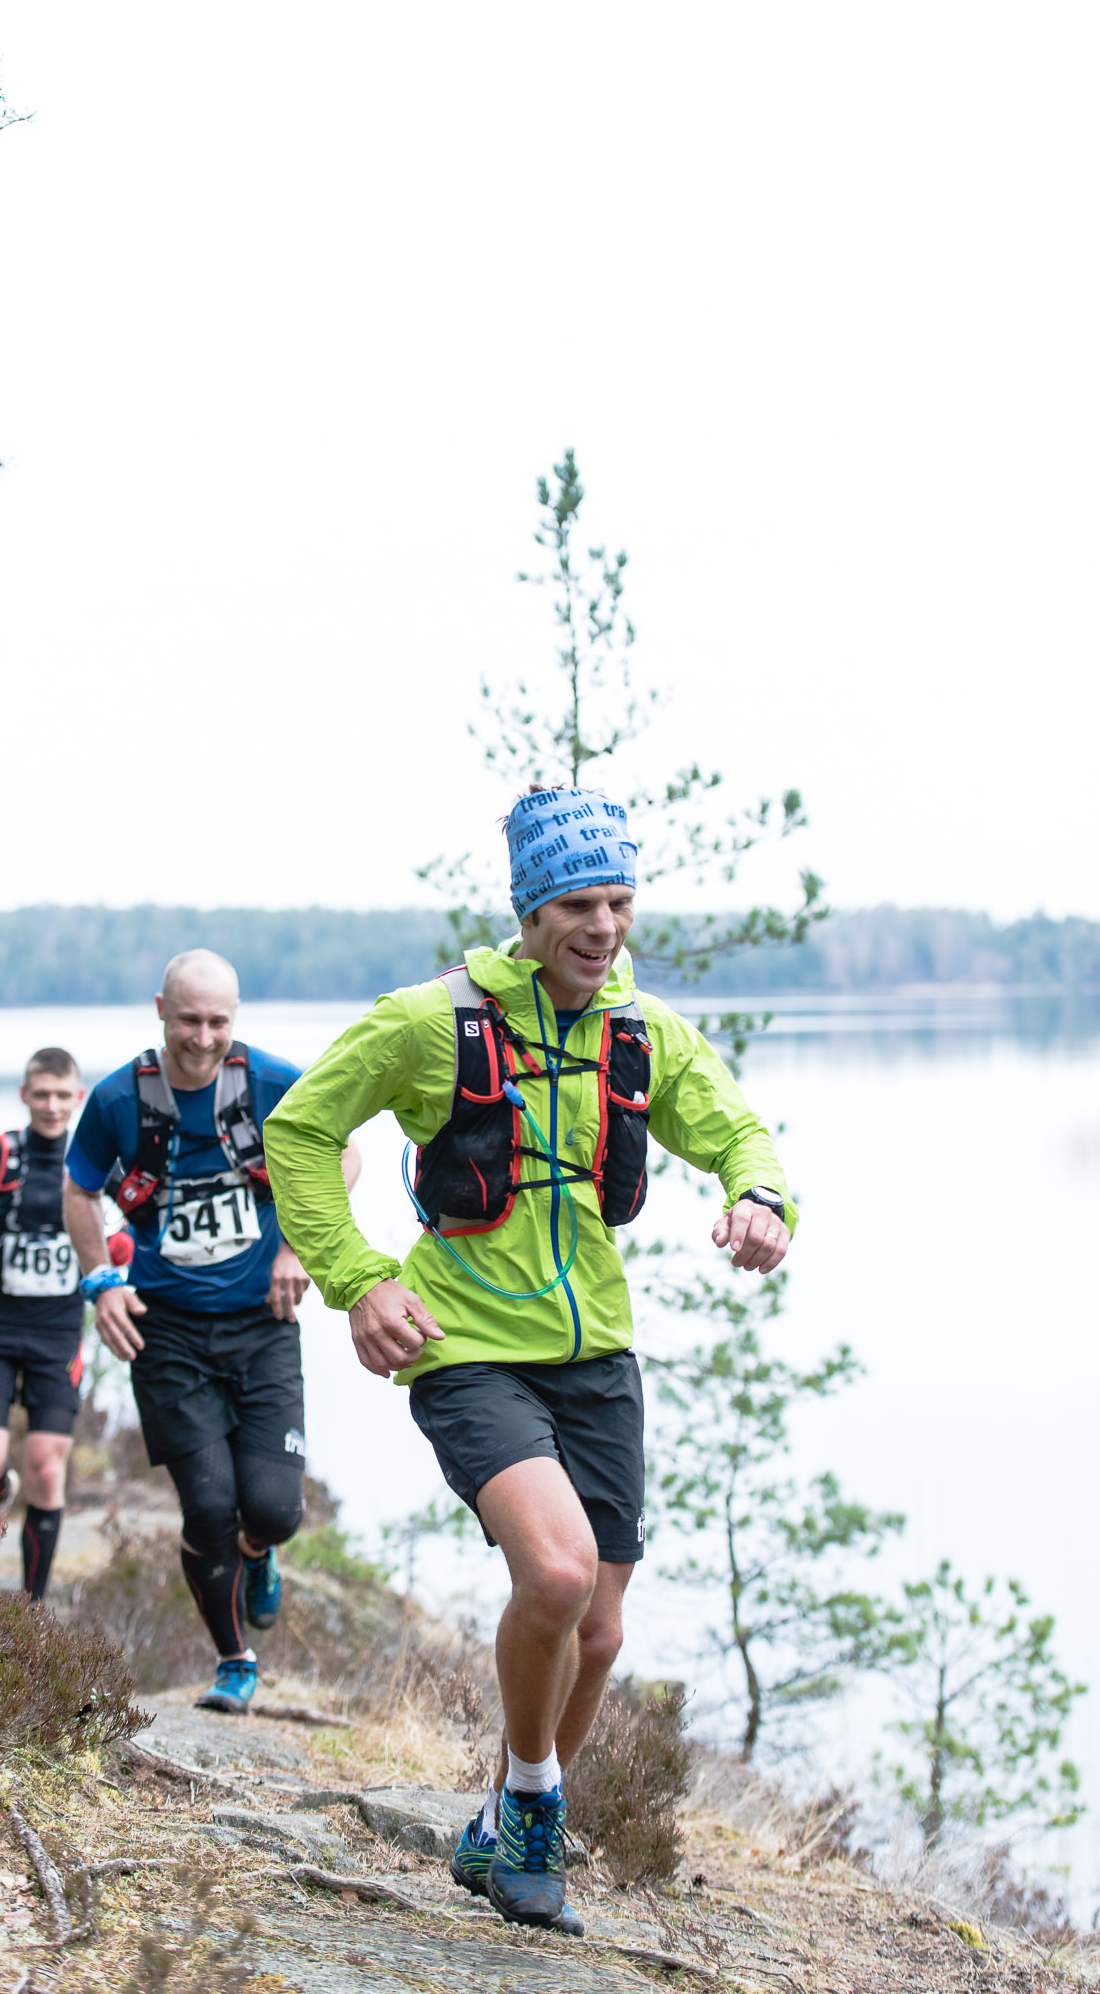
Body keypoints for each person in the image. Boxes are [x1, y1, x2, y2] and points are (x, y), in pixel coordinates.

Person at [263, 786, 795, 1936]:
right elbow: (298, 1130)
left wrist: (759, 1195)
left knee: (598, 1632)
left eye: (618, 900)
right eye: (576, 904)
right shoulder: (430, 1021)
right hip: (463, 1347)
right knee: (554, 1576)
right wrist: (359, 1278)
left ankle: (500, 1813)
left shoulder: (642, 1032)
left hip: (598, 1351)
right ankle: (538, 1809)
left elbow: (740, 1130)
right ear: (528, 908)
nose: (602, 927)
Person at [63, 948, 360, 1714]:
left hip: (263, 1325)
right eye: (189, 1019)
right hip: (165, 1332)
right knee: (206, 1508)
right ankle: (233, 1660)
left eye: (218, 1022)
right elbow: (79, 1189)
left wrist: (297, 1246)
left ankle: (259, 1555)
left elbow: (348, 1154)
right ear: (159, 1008)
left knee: (272, 1511)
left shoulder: (268, 1082)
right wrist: (102, 1286)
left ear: (236, 1017)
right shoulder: (116, 1100)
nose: (202, 1037)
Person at [0, 1046, 124, 1601]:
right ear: (25, 1095)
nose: (53, 1106)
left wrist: (123, 1247)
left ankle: (32, 1606)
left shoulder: (96, 1161)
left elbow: (147, 1214)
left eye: (64, 1095)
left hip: (57, 1335)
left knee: (46, 1465)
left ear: (79, 1098)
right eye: (42, 1094)